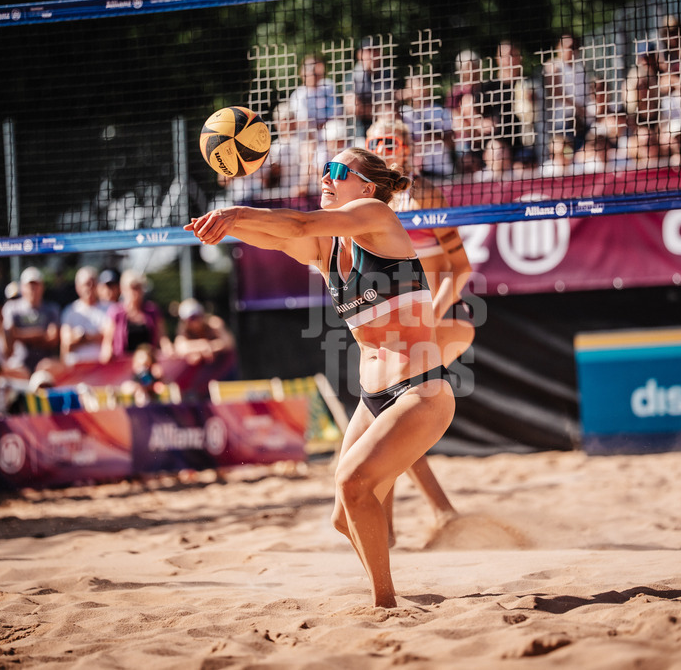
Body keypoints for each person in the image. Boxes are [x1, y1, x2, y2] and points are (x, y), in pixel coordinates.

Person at [186, 147, 455, 608]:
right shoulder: (327, 250)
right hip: (374, 398)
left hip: (421, 388)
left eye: (336, 170)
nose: (324, 177)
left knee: (353, 484)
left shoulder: (375, 216)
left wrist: (235, 211)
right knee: (341, 515)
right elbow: (280, 237)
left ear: (366, 187)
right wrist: (228, 225)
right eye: (323, 170)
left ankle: (385, 605)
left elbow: (300, 224)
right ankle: (390, 592)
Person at [367, 118, 475, 538]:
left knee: (393, 420)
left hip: (446, 319)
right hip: (400, 330)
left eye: (389, 141)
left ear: (407, 150)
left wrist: (429, 314)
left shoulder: (425, 195)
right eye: (374, 142)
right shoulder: (367, 205)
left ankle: (437, 514)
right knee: (388, 420)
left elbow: (460, 269)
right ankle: (394, 526)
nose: (382, 147)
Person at [101, 270, 172, 363]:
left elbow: (163, 338)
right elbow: (107, 341)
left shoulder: (153, 311)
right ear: (122, 290)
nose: (135, 291)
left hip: (147, 363)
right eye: (132, 287)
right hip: (123, 364)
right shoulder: (115, 312)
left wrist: (169, 350)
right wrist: (107, 352)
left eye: (138, 287)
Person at [2, 266, 61, 374]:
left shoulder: (52, 309)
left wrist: (21, 336)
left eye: (36, 285)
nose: (33, 289)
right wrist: (41, 335)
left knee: (51, 367)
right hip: (19, 363)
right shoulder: (11, 307)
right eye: (29, 285)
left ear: (42, 287)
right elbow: (10, 337)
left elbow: (52, 339)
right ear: (22, 287)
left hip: (44, 363)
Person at [60, 266, 111, 367]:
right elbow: (67, 342)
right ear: (78, 287)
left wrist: (81, 337)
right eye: (86, 284)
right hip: (75, 366)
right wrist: (95, 336)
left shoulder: (109, 308)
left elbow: (109, 337)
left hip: (100, 367)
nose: (90, 288)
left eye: (93, 284)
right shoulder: (70, 311)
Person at [173, 298, 236, 366]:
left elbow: (229, 343)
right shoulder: (184, 330)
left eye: (195, 316)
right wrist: (201, 346)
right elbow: (179, 348)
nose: (193, 322)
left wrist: (210, 347)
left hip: (223, 367)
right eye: (190, 319)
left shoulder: (214, 324)